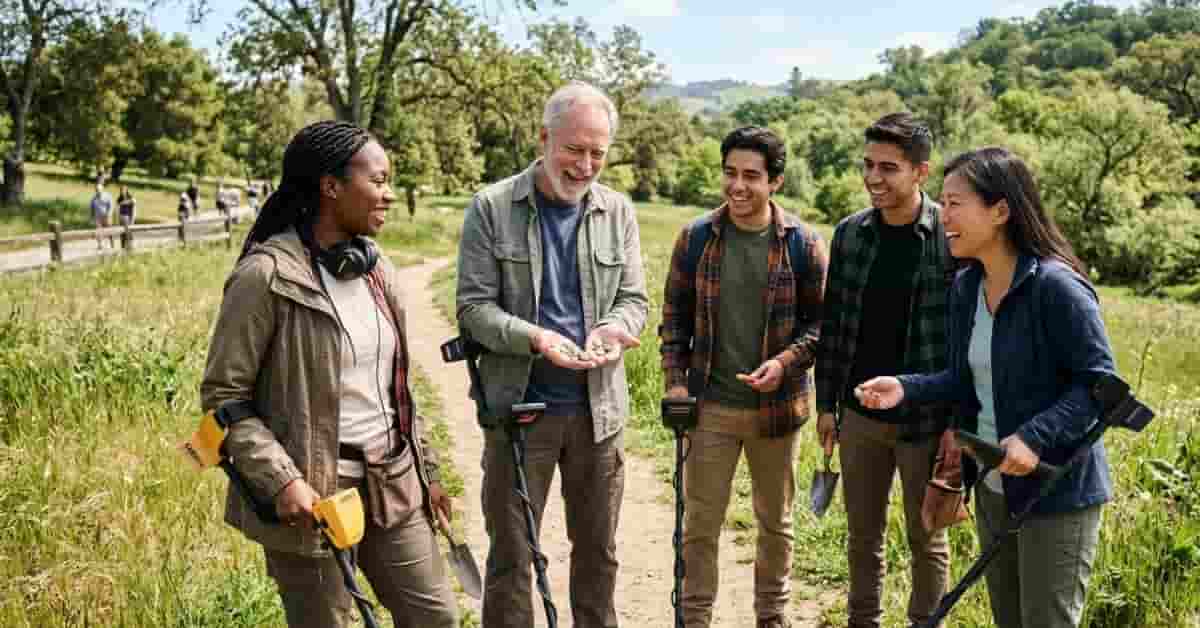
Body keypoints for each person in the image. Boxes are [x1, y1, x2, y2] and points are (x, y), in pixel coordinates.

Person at [200, 120, 458, 628]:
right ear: (331, 186)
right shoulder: (265, 277)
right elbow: (224, 396)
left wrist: (428, 472)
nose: (388, 195)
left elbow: (397, 387)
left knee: (437, 618)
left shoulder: (377, 269)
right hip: (314, 496)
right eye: (378, 181)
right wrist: (281, 480)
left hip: (393, 482)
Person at [855, 146, 1116, 628]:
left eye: (955, 203)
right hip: (994, 485)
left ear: (1000, 211)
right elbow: (963, 377)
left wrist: (1035, 437)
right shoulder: (966, 287)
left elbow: (1099, 387)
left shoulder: (1057, 288)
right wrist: (906, 387)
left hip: (1055, 492)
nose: (943, 214)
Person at [456, 81, 648, 628]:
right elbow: (473, 309)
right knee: (513, 558)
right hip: (520, 412)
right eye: (574, 149)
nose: (586, 165)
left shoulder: (619, 211)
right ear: (544, 138)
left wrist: (613, 328)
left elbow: (634, 299)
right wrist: (536, 338)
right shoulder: (491, 208)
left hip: (599, 413)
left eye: (598, 153)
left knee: (599, 554)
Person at [659, 126, 827, 628]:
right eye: (730, 173)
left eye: (751, 176)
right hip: (711, 408)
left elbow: (823, 325)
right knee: (699, 527)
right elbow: (674, 317)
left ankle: (770, 619)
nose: (738, 185)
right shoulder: (695, 239)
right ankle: (694, 620)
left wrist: (785, 363)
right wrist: (675, 381)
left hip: (777, 412)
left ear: (774, 181)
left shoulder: (804, 244)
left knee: (776, 526)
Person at [814, 112, 955, 628]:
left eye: (888, 168)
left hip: (925, 421)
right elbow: (833, 329)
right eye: (868, 164)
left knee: (927, 538)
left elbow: (964, 344)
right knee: (862, 538)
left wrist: (955, 425)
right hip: (859, 418)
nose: (873, 177)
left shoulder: (951, 236)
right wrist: (827, 406)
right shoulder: (850, 234)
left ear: (921, 171)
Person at [90, 182, 115, 249]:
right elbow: (91, 208)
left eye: (99, 190)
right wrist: (92, 217)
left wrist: (109, 214)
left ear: (102, 189)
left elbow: (111, 206)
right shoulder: (94, 198)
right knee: (98, 231)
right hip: (98, 217)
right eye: (96, 190)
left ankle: (112, 243)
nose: (98, 191)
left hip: (106, 216)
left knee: (109, 231)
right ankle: (100, 245)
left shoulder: (107, 196)